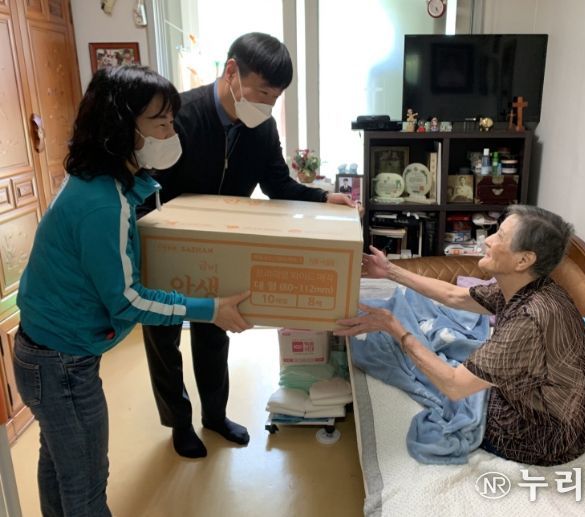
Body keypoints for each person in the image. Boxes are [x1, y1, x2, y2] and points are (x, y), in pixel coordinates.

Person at [12, 66, 253, 517]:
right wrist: (210, 308)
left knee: (58, 465)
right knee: (85, 484)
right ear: (121, 127)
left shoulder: (103, 183)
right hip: (60, 363)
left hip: (45, 350)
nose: (171, 133)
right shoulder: (103, 204)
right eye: (160, 123)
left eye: (172, 121)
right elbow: (127, 300)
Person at [139, 32, 357, 459]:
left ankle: (215, 416)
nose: (267, 104)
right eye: (262, 92)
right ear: (231, 72)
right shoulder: (181, 116)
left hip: (220, 250)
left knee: (215, 330)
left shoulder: (262, 127)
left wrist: (321, 196)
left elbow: (277, 184)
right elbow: (148, 185)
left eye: (275, 97)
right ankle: (179, 422)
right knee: (163, 337)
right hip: (170, 247)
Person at [335, 205, 585, 466]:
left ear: (523, 260)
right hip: (565, 410)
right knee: (438, 342)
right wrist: (389, 270)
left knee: (427, 365)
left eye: (500, 236)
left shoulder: (528, 321)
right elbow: (456, 296)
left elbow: (454, 386)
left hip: (541, 437)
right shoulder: (534, 286)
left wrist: (395, 328)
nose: (488, 240)